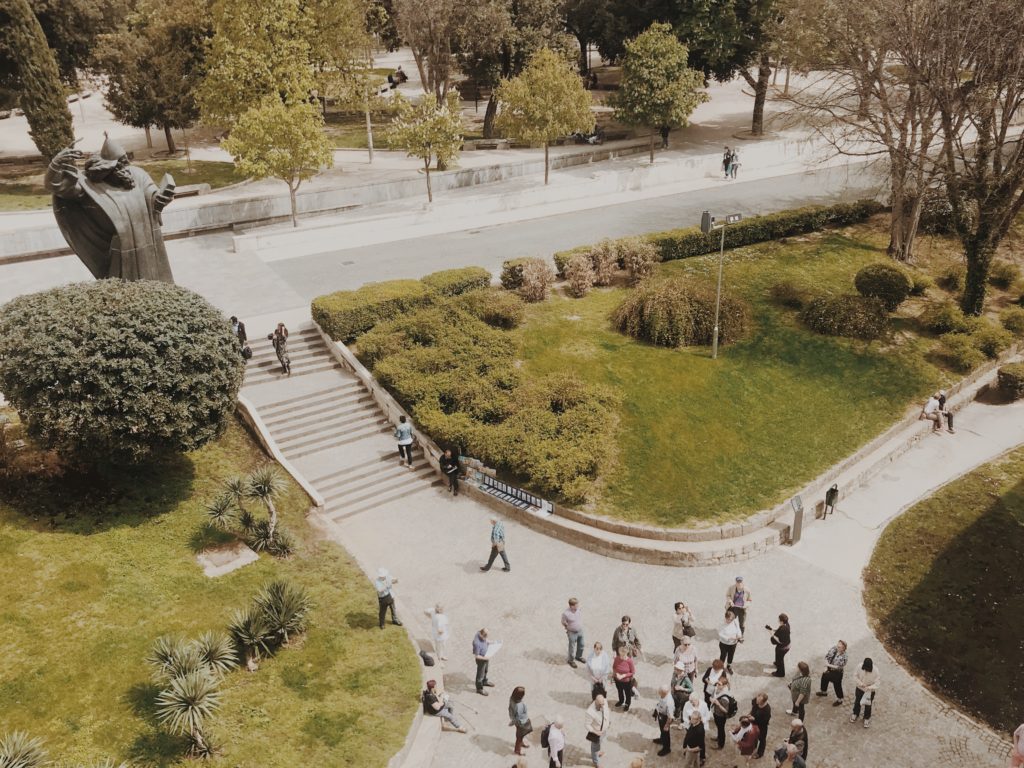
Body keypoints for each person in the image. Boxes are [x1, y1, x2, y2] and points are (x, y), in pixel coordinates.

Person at [45, 136, 176, 282]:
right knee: (123, 290)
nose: (126, 168)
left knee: (155, 282)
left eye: (126, 162)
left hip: (148, 243)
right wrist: (55, 164)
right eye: (121, 164)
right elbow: (56, 187)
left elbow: (152, 196)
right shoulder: (89, 186)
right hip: (120, 251)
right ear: (108, 167)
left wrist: (161, 198)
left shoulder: (138, 175)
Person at [850, 657, 879, 728]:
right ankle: (855, 713)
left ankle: (866, 718)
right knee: (857, 702)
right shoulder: (859, 666)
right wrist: (861, 684)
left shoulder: (876, 671)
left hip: (869, 691)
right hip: (860, 688)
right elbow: (855, 676)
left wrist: (869, 687)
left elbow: (877, 683)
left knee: (868, 705)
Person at [816, 641, 848, 705]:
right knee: (824, 678)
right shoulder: (834, 648)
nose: (837, 647)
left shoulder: (844, 657)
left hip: (837, 672)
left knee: (837, 685)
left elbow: (839, 667)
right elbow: (827, 656)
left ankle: (840, 699)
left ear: (843, 648)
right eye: (837, 645)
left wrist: (828, 665)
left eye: (839, 647)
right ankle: (824, 692)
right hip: (829, 668)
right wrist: (826, 666)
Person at [682, 692, 710, 764]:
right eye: (690, 701)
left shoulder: (704, 705)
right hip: (690, 726)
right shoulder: (687, 704)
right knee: (689, 738)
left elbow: (708, 716)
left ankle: (702, 757)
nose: (691, 703)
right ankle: (687, 750)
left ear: (697, 699)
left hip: (700, 726)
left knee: (700, 742)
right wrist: (689, 721)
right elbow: (684, 716)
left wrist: (701, 721)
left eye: (692, 701)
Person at [585, 694, 610, 766]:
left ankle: (598, 752)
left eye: (603, 704)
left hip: (604, 730)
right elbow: (587, 725)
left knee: (600, 742)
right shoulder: (590, 711)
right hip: (596, 733)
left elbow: (606, 711)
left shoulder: (604, 701)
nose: (602, 706)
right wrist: (595, 732)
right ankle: (596, 762)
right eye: (600, 705)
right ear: (596, 702)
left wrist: (607, 722)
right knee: (594, 748)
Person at [710, 673, 732, 750]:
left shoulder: (725, 697)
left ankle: (720, 744)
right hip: (716, 712)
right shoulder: (718, 689)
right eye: (717, 684)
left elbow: (726, 711)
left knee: (721, 729)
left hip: (721, 716)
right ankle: (718, 737)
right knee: (719, 728)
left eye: (719, 684)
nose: (717, 686)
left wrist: (718, 704)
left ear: (724, 686)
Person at [717, 609, 743, 674]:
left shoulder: (735, 621)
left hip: (733, 643)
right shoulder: (722, 623)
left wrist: (739, 636)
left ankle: (729, 665)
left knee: (731, 655)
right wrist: (729, 638)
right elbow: (720, 633)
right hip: (724, 643)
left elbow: (738, 629)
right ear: (725, 618)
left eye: (731, 620)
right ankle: (721, 667)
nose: (730, 621)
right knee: (723, 655)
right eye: (729, 619)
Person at [562, 597, 585, 668]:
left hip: (580, 631)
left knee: (581, 644)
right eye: (576, 605)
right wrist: (567, 627)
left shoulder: (578, 610)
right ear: (571, 606)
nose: (577, 606)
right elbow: (563, 621)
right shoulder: (566, 613)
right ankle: (571, 660)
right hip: (572, 633)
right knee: (572, 648)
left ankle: (578, 656)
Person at [612, 644, 636, 711]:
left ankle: (627, 704)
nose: (621, 657)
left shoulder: (629, 661)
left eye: (623, 655)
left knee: (627, 693)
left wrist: (623, 675)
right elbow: (614, 667)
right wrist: (615, 674)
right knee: (620, 691)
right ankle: (621, 701)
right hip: (617, 680)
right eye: (620, 654)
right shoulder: (617, 658)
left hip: (626, 681)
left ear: (626, 652)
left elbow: (633, 672)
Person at [508, 686, 532, 754]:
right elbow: (521, 717)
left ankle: (521, 743)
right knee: (520, 736)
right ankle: (517, 750)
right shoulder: (519, 706)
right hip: (520, 722)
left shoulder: (512, 699)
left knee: (519, 735)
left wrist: (513, 721)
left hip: (515, 720)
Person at [653, 685, 675, 756]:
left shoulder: (669, 702)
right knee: (662, 731)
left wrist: (667, 725)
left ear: (664, 693)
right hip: (661, 715)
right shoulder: (663, 695)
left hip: (665, 718)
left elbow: (670, 717)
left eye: (660, 692)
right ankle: (662, 740)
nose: (658, 692)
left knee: (665, 733)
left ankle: (666, 748)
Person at [473, 628, 495, 695]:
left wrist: (490, 642)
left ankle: (484, 681)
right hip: (481, 660)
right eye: (485, 637)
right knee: (480, 675)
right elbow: (476, 656)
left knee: (486, 670)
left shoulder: (480, 633)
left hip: (486, 656)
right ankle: (479, 688)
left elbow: (485, 640)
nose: (486, 638)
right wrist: (485, 658)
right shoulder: (477, 643)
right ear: (482, 635)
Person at [749, 692, 771, 759]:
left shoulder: (767, 710)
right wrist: (750, 714)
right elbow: (753, 707)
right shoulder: (755, 700)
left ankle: (760, 753)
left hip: (762, 726)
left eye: (759, 701)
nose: (757, 702)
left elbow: (765, 722)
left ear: (763, 702)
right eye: (757, 700)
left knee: (762, 739)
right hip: (753, 723)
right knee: (753, 736)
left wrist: (754, 719)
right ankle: (753, 747)